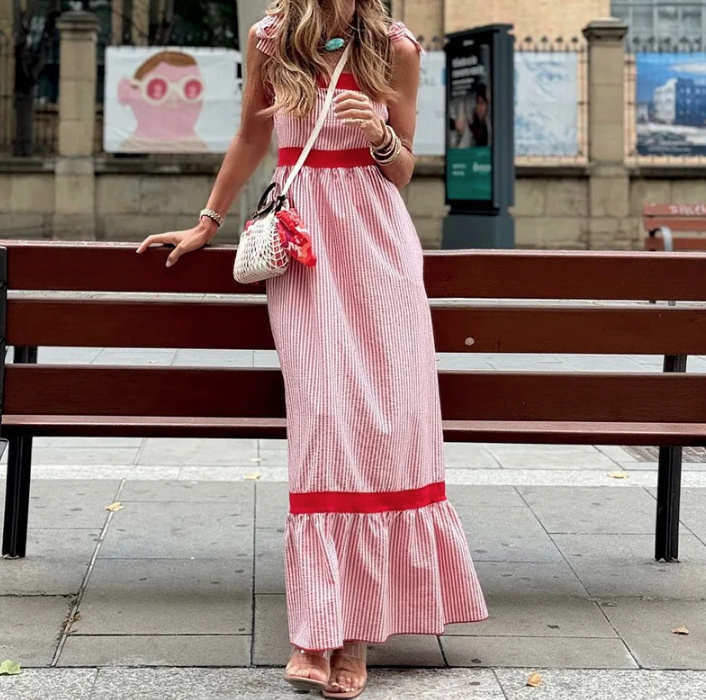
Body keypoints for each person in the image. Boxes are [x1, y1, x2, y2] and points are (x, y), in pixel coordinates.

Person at [136, 1, 487, 697]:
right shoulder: (269, 39)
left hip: (380, 252)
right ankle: (315, 632)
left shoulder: (397, 48)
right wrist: (208, 223)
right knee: (325, 425)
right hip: (306, 247)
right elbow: (248, 140)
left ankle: (352, 638)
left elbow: (406, 168)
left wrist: (380, 136)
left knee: (382, 429)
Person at [117, 50, 208, 153]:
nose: (174, 99)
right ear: (134, 94)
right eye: (158, 89)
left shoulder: (198, 147)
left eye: (190, 89)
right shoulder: (132, 149)